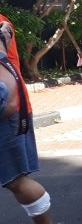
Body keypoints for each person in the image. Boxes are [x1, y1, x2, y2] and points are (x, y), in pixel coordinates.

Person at [0, 19, 53, 224]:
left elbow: (9, 100)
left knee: (15, 180)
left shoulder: (2, 25)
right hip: (12, 110)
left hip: (8, 115)